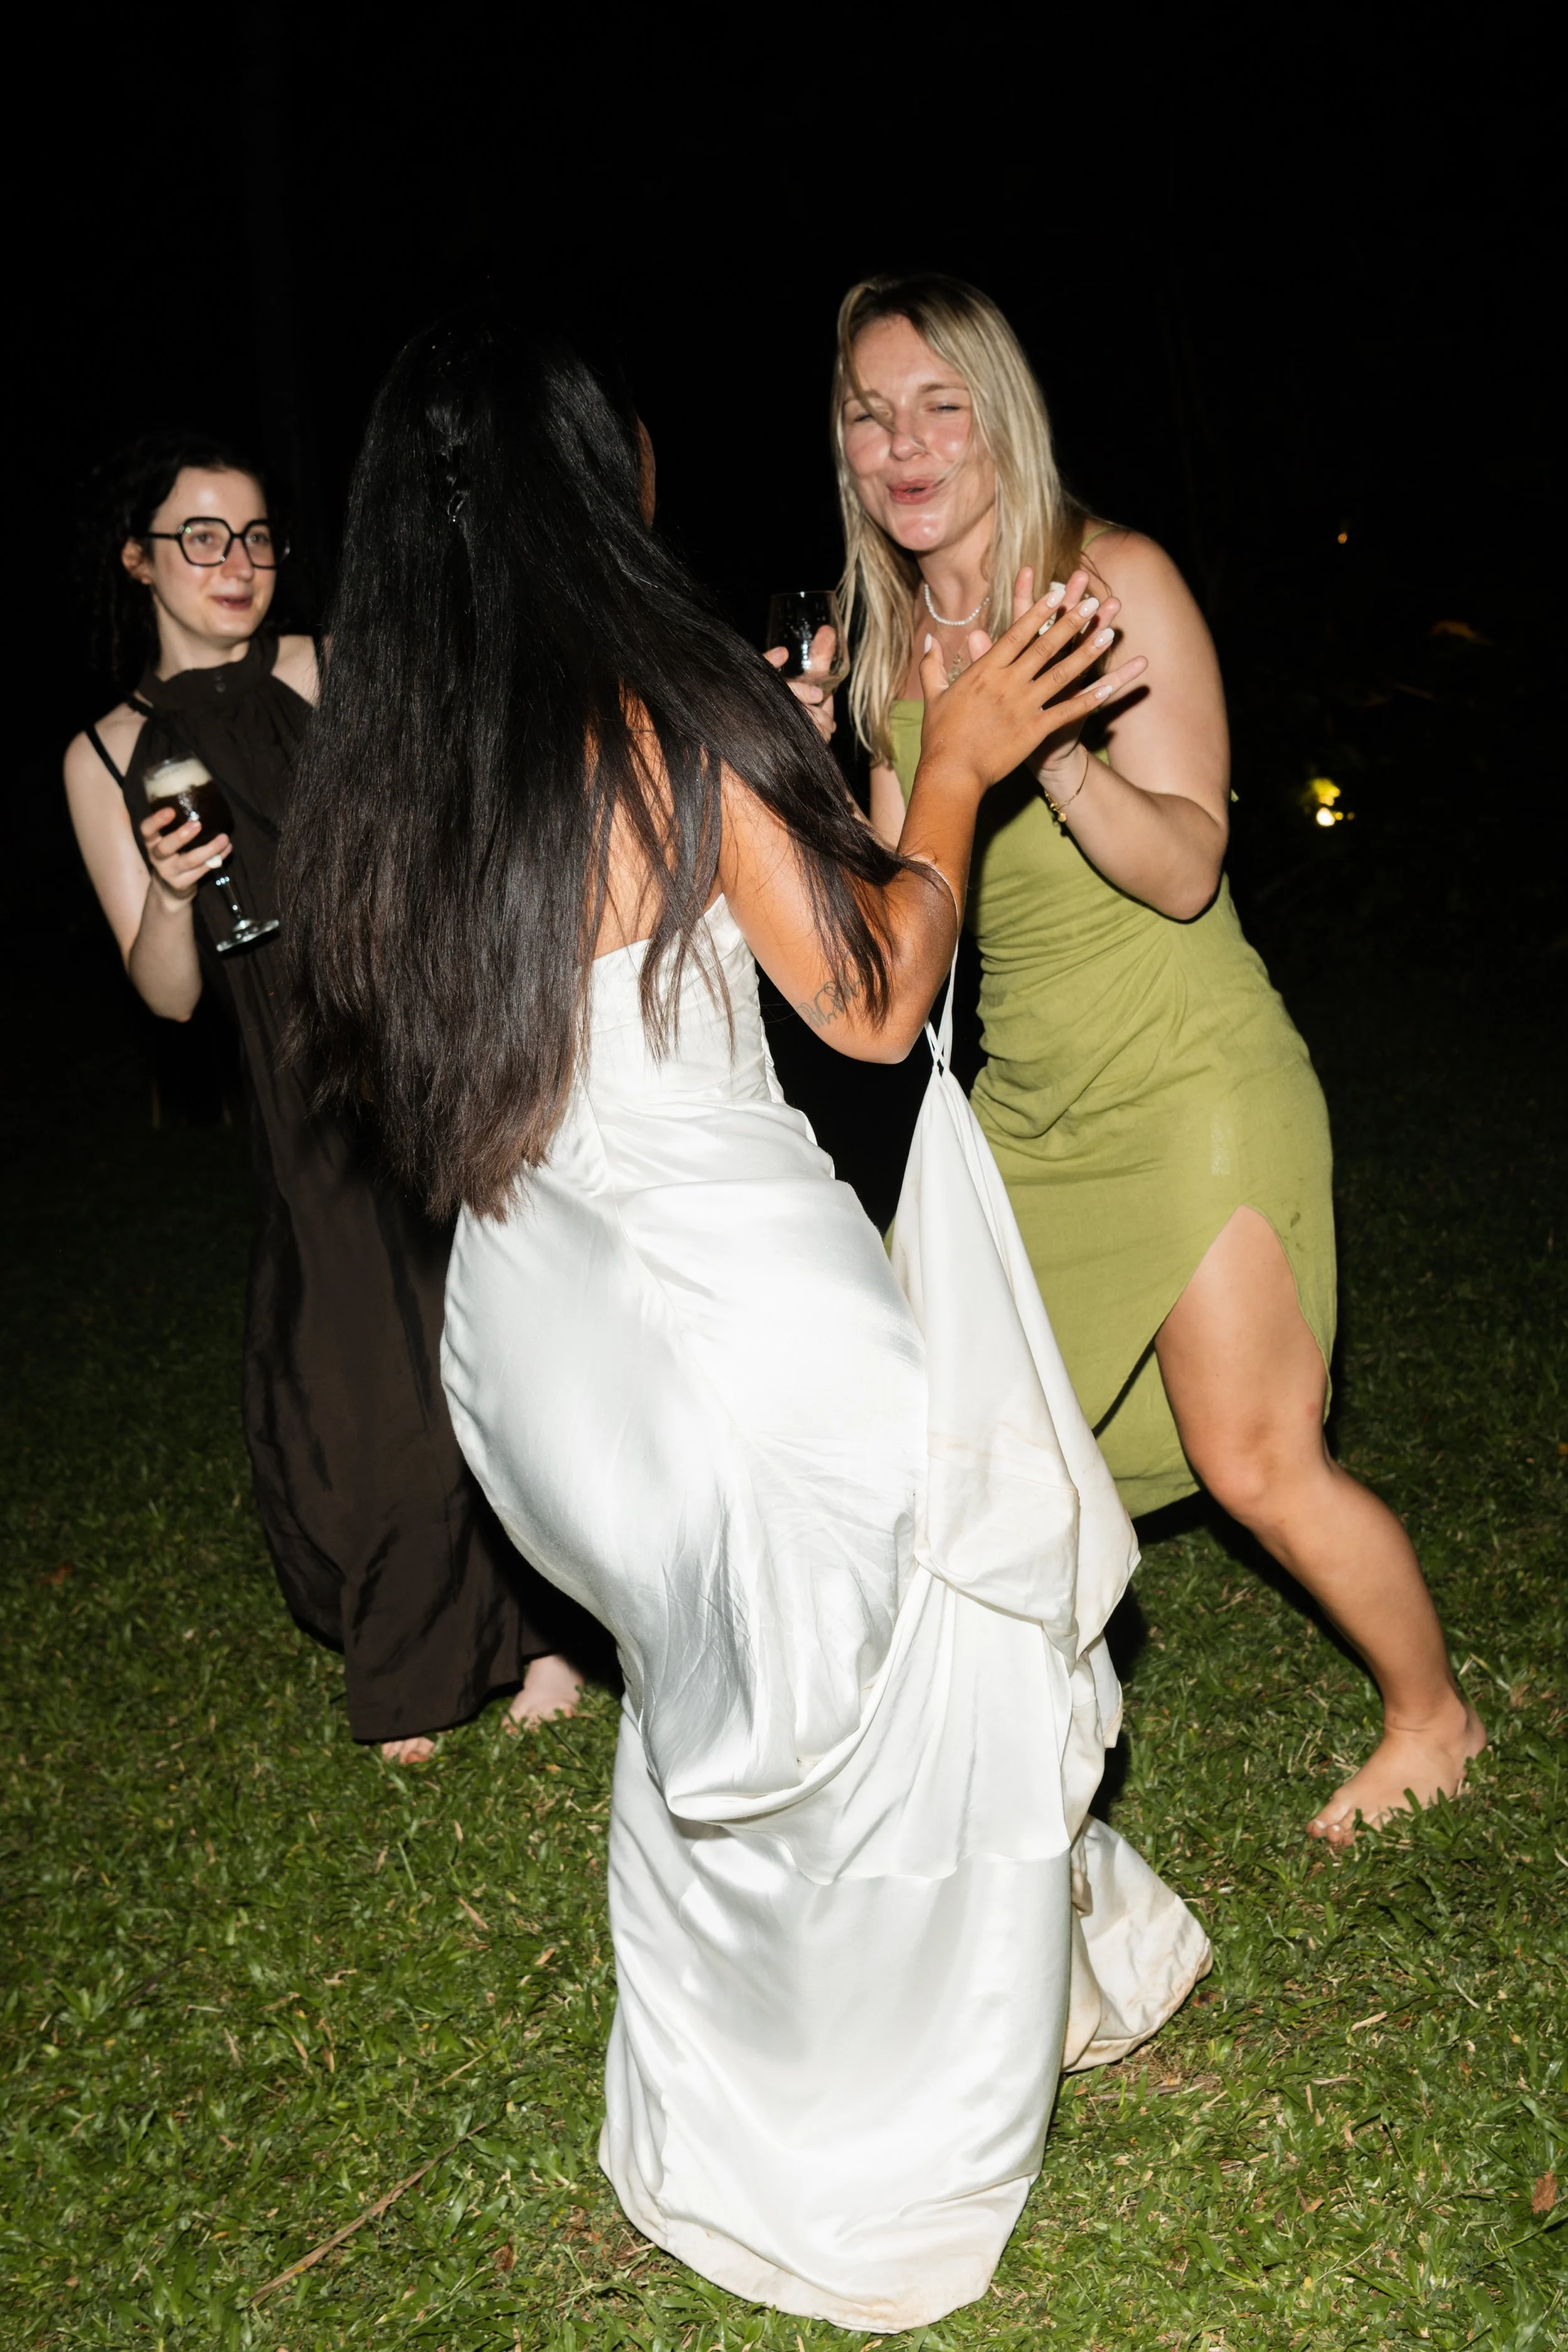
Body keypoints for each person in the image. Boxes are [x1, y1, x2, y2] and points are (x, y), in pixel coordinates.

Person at [282, 309, 1210, 2330]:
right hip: (732, 1317)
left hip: (536, 1347)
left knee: (727, 1704)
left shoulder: (389, 767)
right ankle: (870, 2137)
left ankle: (742, 2095)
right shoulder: (651, 704)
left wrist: (765, 781)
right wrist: (945, 770)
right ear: (590, 478)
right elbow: (873, 994)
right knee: (901, 1681)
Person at [818, 272, 1484, 1846]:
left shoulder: (1112, 582)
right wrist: (800, 779)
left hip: (1189, 1084)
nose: (903, 446)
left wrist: (1047, 749)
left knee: (1253, 1459)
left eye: (939, 408)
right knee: (952, 1463)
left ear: (1001, 418)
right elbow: (899, 910)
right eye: (868, 414)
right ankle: (967, 1763)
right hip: (1025, 1113)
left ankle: (1433, 1717)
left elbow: (1185, 867)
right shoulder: (885, 640)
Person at [63, 432, 588, 1760]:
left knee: (485, 1322)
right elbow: (167, 997)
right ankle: (413, 1625)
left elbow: (445, 806)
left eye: (253, 536)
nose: (233, 562)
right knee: (353, 1370)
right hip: (283, 1071)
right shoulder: (105, 753)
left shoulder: (328, 667)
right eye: (199, 537)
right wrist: (172, 894)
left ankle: (540, 1628)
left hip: (404, 1028)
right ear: (138, 560)